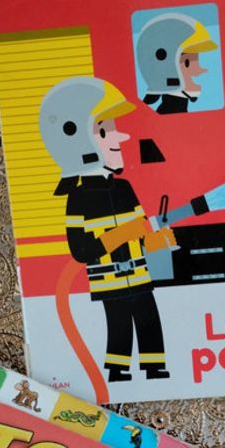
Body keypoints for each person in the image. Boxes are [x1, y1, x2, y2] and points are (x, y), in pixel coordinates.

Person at [39, 76, 173, 382]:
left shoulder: (124, 188)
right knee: (119, 324)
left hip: (140, 275)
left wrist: (159, 241)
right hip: (109, 281)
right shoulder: (77, 199)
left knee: (149, 319)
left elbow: (142, 231)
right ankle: (117, 370)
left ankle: (154, 367)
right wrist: (120, 235)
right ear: (78, 141)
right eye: (104, 130)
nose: (119, 138)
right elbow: (80, 250)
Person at [136, 13, 217, 114]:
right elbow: (151, 99)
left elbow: (150, 99)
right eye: (187, 61)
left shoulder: (172, 82)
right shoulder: (164, 81)